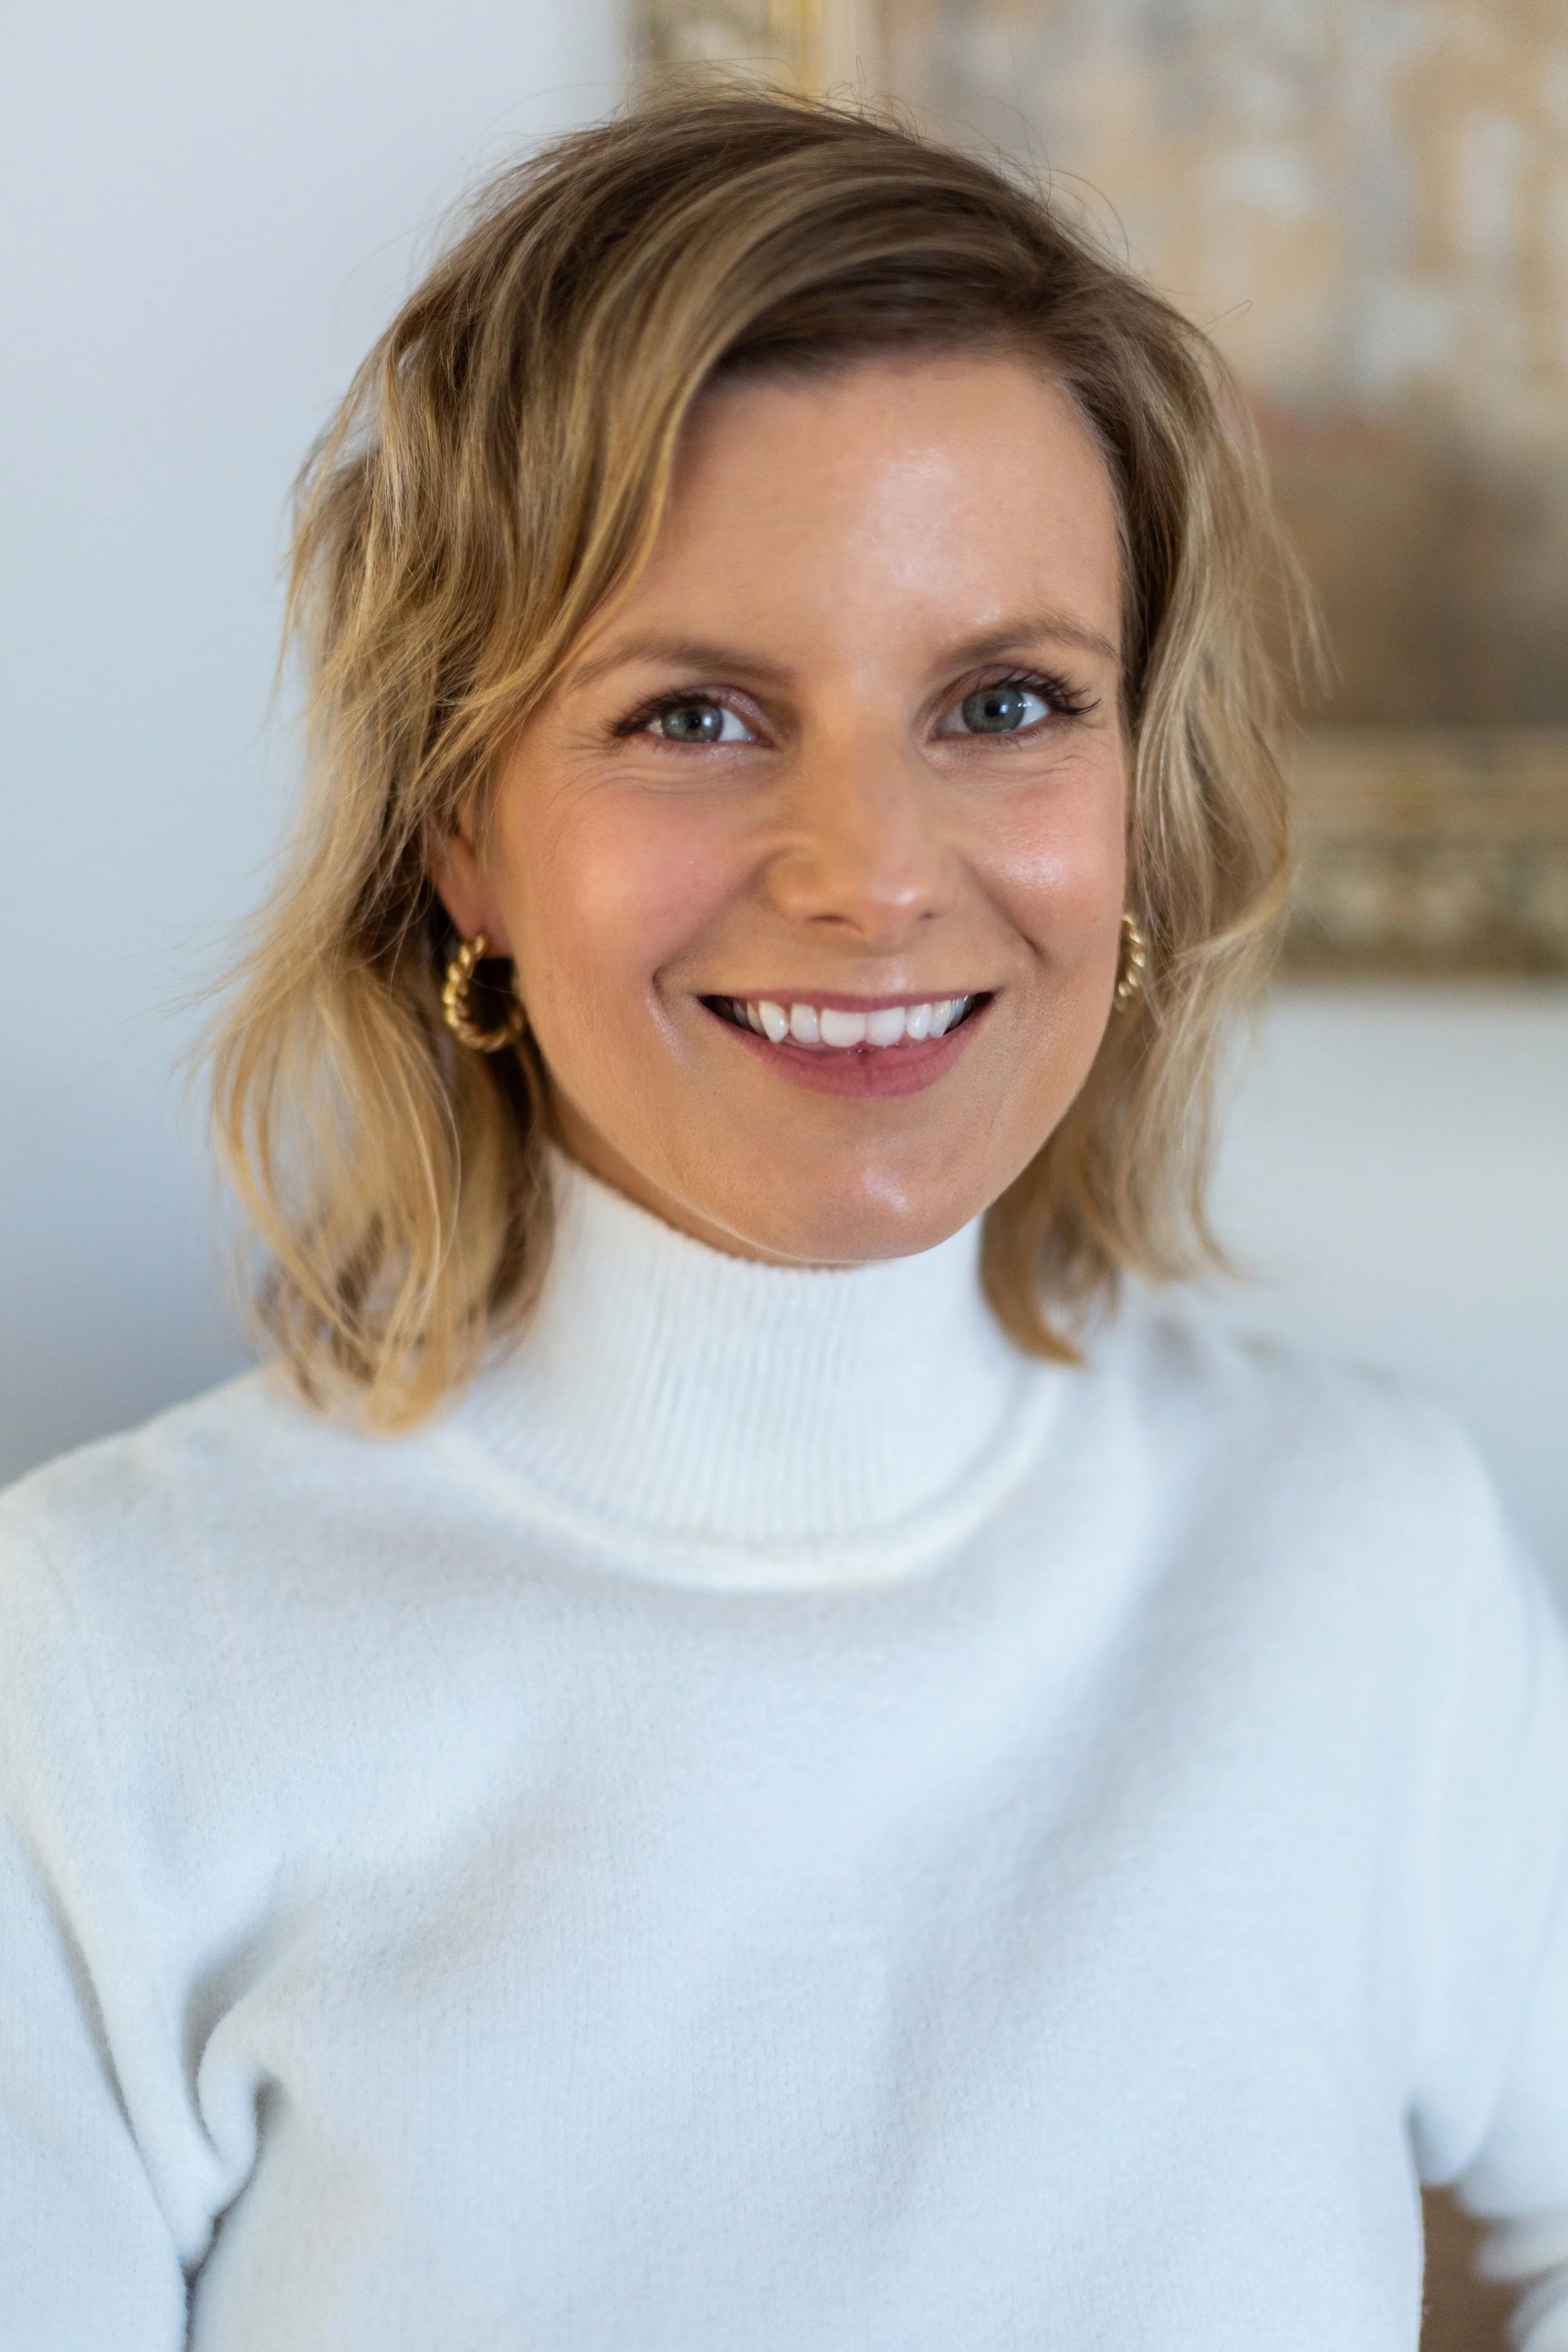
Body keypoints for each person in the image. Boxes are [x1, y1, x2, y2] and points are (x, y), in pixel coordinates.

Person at [1, 86, 1564, 2352]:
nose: (874, 871)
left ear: (1135, 789)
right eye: (699, 713)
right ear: (462, 836)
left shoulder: (1360, 1560)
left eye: (1005, 702)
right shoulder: (101, 1661)